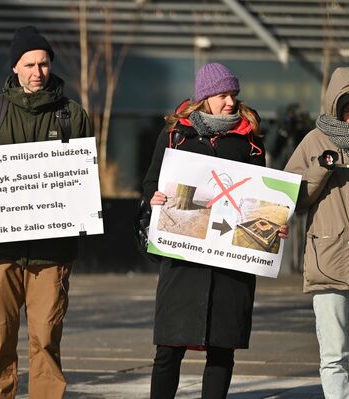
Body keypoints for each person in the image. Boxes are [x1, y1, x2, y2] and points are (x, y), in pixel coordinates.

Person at [142, 62, 288, 399]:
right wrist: (155, 196)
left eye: (233, 95)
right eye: (223, 95)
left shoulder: (250, 141)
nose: (231, 103)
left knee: (223, 349)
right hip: (183, 259)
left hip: (230, 262)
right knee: (169, 347)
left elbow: (260, 201)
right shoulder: (176, 135)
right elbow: (151, 180)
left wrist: (273, 224)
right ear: (205, 98)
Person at [0, 25, 92, 399]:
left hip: (52, 252)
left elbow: (84, 179)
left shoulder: (72, 115)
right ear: (15, 68)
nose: (38, 72)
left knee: (46, 339)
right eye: (30, 64)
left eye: (44, 63)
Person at [284, 66, 349, 399]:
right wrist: (322, 167)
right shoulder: (314, 141)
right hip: (330, 261)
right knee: (335, 355)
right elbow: (290, 199)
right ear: (337, 106)